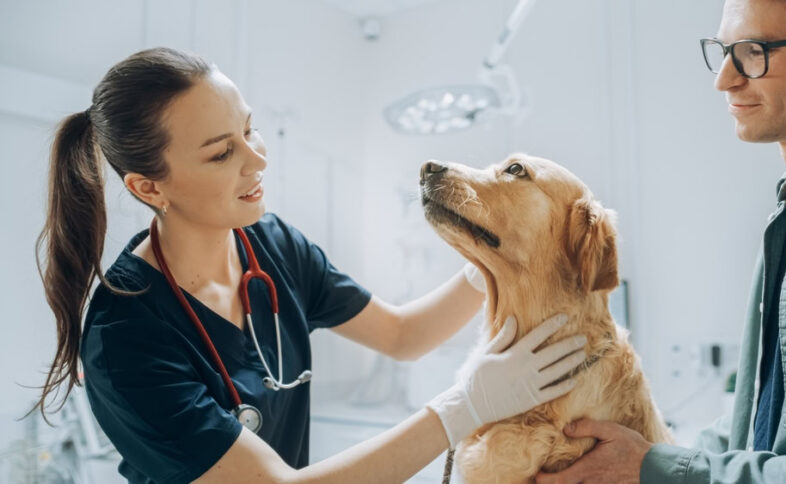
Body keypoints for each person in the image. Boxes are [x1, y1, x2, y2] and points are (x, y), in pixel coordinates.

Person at [33, 47, 589, 483]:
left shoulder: (270, 245)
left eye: (249, 129)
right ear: (148, 186)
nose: (258, 158)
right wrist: (462, 408)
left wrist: (491, 261)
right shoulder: (125, 335)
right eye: (222, 152)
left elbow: (403, 335)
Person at [535, 0, 786, 482]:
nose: (724, 79)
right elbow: (757, 420)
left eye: (755, 51)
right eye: (723, 50)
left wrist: (660, 468)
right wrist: (638, 454)